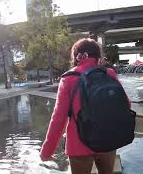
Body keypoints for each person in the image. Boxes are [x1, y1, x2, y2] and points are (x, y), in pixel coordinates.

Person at [40, 38, 131, 174]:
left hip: (79, 145)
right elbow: (126, 105)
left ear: (76, 56)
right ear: (97, 55)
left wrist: (47, 150)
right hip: (108, 141)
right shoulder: (109, 73)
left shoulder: (68, 79)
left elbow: (59, 118)